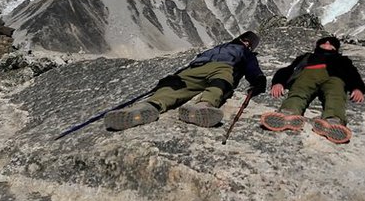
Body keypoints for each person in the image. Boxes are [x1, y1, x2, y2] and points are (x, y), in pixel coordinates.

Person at [104, 31, 266, 131]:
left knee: (211, 83)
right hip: (209, 68)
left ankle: (201, 106)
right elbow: (250, 65)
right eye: (246, 40)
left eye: (248, 43)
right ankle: (150, 107)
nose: (246, 43)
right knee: (178, 86)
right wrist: (257, 78)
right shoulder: (239, 50)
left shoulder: (225, 49)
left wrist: (257, 78)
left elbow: (251, 66)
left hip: (207, 68)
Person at [260, 36, 365, 144]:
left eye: (331, 43)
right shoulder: (308, 56)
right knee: (299, 91)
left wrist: (357, 88)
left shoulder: (343, 60)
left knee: (336, 95)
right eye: (324, 42)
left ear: (336, 48)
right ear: (318, 45)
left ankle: (333, 121)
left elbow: (353, 74)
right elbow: (289, 69)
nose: (328, 42)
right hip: (309, 72)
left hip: (334, 77)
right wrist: (279, 82)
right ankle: (288, 113)